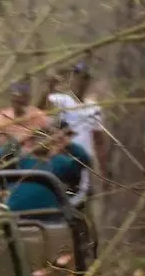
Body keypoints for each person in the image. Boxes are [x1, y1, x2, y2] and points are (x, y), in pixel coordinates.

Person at [44, 62, 109, 208]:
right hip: (62, 161)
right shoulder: (60, 100)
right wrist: (49, 86)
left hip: (83, 165)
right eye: (76, 76)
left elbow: (99, 141)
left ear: (88, 81)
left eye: (84, 78)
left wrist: (103, 173)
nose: (79, 81)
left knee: (80, 207)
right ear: (72, 78)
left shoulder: (93, 108)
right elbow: (44, 114)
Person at [0, 79, 49, 164]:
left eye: (23, 100)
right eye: (16, 100)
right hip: (6, 158)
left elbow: (46, 141)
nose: (19, 104)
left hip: (31, 158)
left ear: (28, 99)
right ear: (12, 99)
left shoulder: (38, 116)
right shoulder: (1, 116)